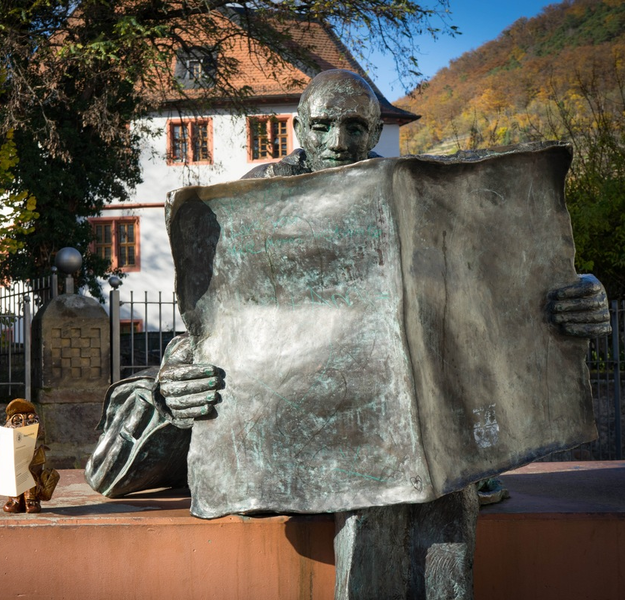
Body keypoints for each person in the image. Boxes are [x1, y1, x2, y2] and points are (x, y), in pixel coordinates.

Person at [87, 70, 611, 598]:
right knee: (379, 483)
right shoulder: (256, 196)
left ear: (376, 129)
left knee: (426, 486)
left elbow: (487, 287)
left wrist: (571, 294)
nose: (340, 142)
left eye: (356, 127)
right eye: (323, 126)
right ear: (299, 129)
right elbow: (215, 323)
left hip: (395, 424)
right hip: (291, 423)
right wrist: (179, 370)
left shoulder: (409, 193)